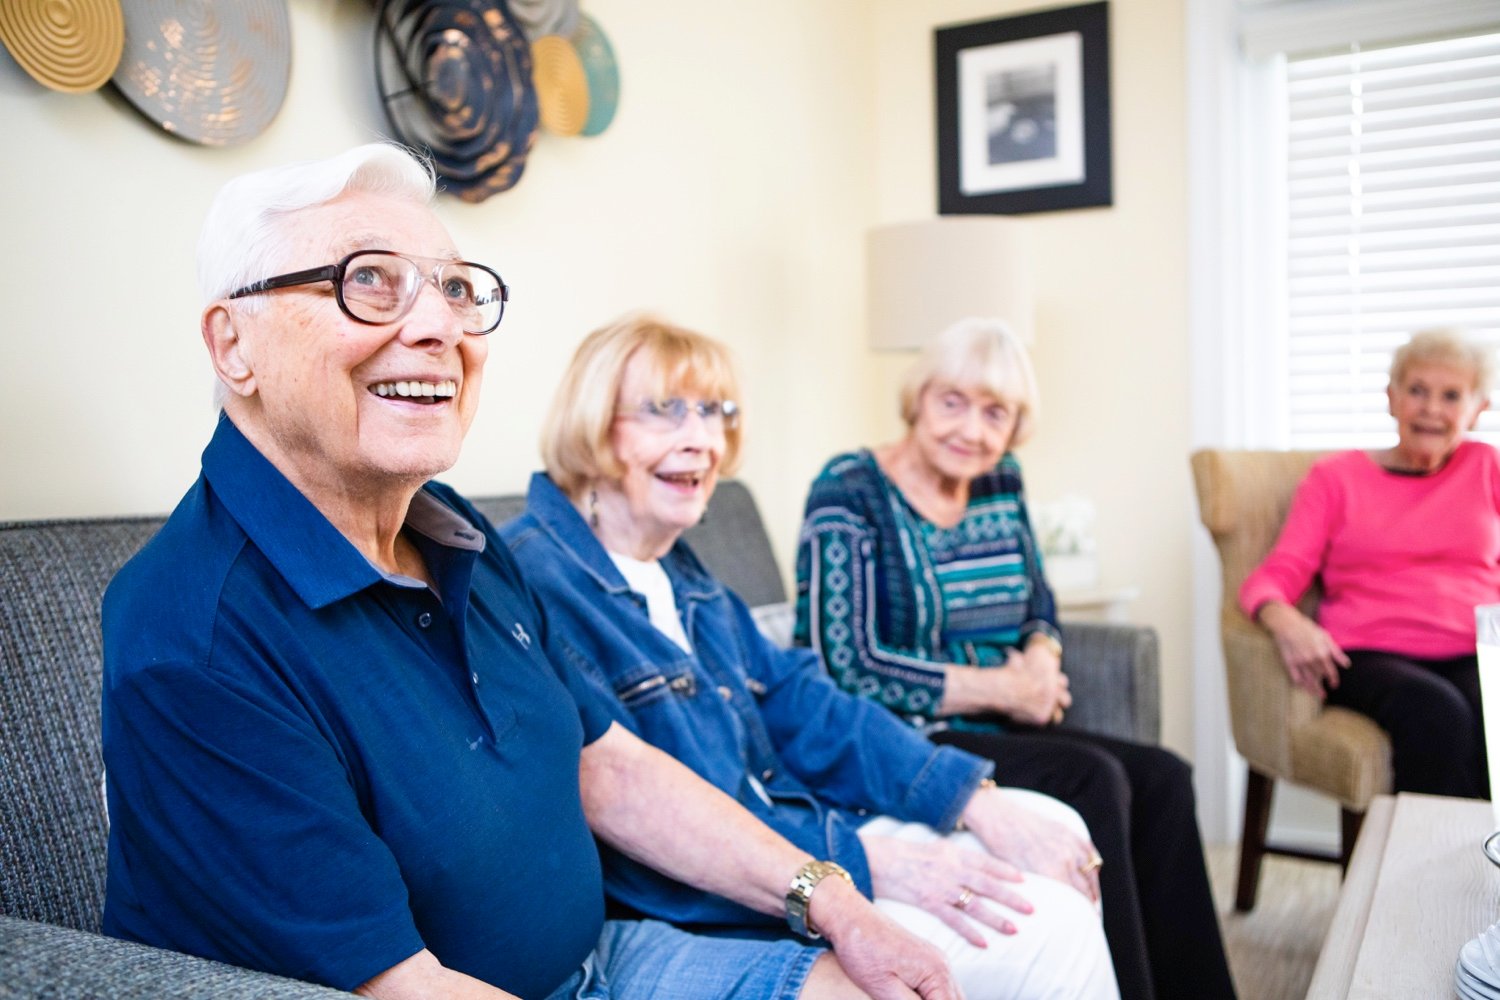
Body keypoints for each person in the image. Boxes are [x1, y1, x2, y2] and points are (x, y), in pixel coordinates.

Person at [100, 143, 961, 1000]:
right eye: (368, 281)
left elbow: (610, 766)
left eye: (454, 288)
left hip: (610, 960)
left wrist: (830, 899)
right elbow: (400, 987)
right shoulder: (194, 638)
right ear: (232, 343)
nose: (439, 327)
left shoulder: (458, 532)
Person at [501, 314, 1120, 1000]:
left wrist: (970, 798)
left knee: (1055, 828)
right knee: (1048, 931)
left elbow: (809, 703)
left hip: (807, 830)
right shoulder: (538, 583)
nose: (702, 439)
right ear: (593, 423)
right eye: (665, 411)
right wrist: (864, 861)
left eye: (714, 412)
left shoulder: (682, 574)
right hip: (728, 898)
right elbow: (656, 815)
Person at [794, 318, 1237, 1000]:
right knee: (1096, 780)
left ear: (1016, 424)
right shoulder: (849, 490)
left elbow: (1039, 604)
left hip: (1004, 718)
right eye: (953, 402)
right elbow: (846, 664)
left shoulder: (999, 479)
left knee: (1166, 777)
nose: (971, 429)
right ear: (918, 398)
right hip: (904, 737)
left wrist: (1042, 656)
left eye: (994, 411)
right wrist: (1004, 689)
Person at [1239, 327, 1499, 799]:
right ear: (1391, 398)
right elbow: (1276, 575)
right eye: (1417, 390)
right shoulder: (1335, 479)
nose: (1431, 409)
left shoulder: (1487, 468)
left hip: (1474, 647)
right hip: (1371, 652)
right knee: (1436, 712)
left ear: (1478, 409)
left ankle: (1483, 865)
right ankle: (1428, 867)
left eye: (1451, 395)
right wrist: (1287, 623)